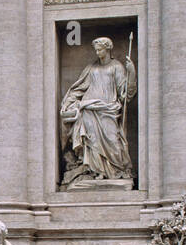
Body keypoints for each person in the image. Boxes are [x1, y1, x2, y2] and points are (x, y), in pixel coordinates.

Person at [59, 37, 137, 186]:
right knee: (92, 141)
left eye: (99, 49)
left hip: (109, 109)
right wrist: (68, 103)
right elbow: (79, 89)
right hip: (89, 109)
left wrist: (131, 73)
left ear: (107, 49)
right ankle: (98, 172)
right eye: (95, 50)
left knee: (113, 140)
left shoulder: (117, 67)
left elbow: (125, 94)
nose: (97, 52)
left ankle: (116, 170)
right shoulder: (91, 68)